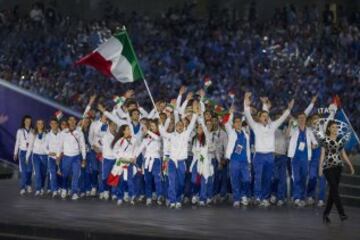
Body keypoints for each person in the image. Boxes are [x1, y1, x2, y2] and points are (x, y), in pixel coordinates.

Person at [244, 92, 294, 207]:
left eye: (267, 116)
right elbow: (247, 114)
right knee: (258, 177)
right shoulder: (255, 126)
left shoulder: (273, 126)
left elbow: (282, 118)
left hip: (270, 156)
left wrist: (289, 109)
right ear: (259, 118)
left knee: (267, 178)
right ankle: (257, 197)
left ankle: (265, 198)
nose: (265, 118)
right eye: (263, 116)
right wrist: (246, 101)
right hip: (259, 156)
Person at [159, 101, 198, 209]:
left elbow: (192, 124)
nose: (180, 126)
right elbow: (162, 132)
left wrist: (194, 114)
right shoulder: (171, 135)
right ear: (176, 126)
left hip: (181, 162)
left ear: (183, 126)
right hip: (171, 161)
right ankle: (172, 200)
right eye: (178, 125)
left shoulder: (186, 134)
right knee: (172, 181)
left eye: (181, 125)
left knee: (180, 183)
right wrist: (163, 121)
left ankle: (178, 198)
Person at [320, 120, 355, 223]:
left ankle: (325, 214)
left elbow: (343, 154)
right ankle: (342, 213)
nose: (335, 129)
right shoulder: (324, 140)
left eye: (337, 127)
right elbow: (322, 154)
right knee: (334, 190)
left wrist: (350, 166)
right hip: (327, 168)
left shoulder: (339, 139)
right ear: (329, 128)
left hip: (338, 167)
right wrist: (320, 168)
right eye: (333, 127)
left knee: (332, 192)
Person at [287, 113, 318, 207]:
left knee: (304, 178)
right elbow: (287, 134)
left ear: (305, 119)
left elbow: (315, 142)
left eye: (303, 118)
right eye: (300, 118)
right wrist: (290, 124)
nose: (301, 119)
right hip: (295, 158)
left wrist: (314, 145)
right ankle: (296, 198)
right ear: (297, 119)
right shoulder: (294, 129)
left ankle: (302, 197)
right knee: (296, 178)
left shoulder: (309, 131)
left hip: (305, 159)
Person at [224, 107, 251, 207]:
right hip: (234, 160)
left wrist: (249, 161)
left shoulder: (245, 134)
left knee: (246, 179)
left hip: (244, 161)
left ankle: (243, 195)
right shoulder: (231, 132)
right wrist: (230, 113)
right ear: (234, 124)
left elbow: (247, 148)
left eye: (240, 122)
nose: (238, 123)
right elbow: (226, 122)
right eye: (236, 122)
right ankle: (236, 198)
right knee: (235, 180)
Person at [57, 116, 86, 200]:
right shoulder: (63, 132)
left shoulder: (79, 132)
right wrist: (58, 156)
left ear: (75, 121)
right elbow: (60, 145)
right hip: (66, 157)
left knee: (76, 175)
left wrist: (84, 158)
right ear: (68, 122)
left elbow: (82, 146)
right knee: (65, 175)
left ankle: (74, 192)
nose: (72, 121)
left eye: (74, 120)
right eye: (70, 120)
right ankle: (64, 189)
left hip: (76, 157)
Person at [26, 119, 48, 196]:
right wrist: (27, 156)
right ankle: (38, 189)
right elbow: (30, 146)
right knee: (37, 173)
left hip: (45, 156)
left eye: (41, 123)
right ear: (36, 125)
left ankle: (42, 187)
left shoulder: (47, 134)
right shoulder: (33, 134)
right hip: (36, 156)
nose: (40, 125)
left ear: (43, 125)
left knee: (43, 173)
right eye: (38, 123)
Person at [13, 115, 33, 195]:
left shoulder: (32, 131)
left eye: (29, 121)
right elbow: (17, 142)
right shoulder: (20, 131)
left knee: (29, 171)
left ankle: (28, 184)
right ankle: (22, 187)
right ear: (24, 121)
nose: (28, 122)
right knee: (23, 171)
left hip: (30, 153)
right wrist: (15, 153)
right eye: (26, 121)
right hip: (22, 152)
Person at [45, 118, 61, 198]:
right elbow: (44, 147)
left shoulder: (62, 134)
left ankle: (60, 188)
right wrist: (49, 152)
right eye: (52, 123)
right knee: (53, 174)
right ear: (50, 125)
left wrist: (59, 155)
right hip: (51, 158)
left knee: (61, 175)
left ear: (57, 124)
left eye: (55, 123)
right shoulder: (47, 135)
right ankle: (54, 190)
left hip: (61, 158)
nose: (54, 125)